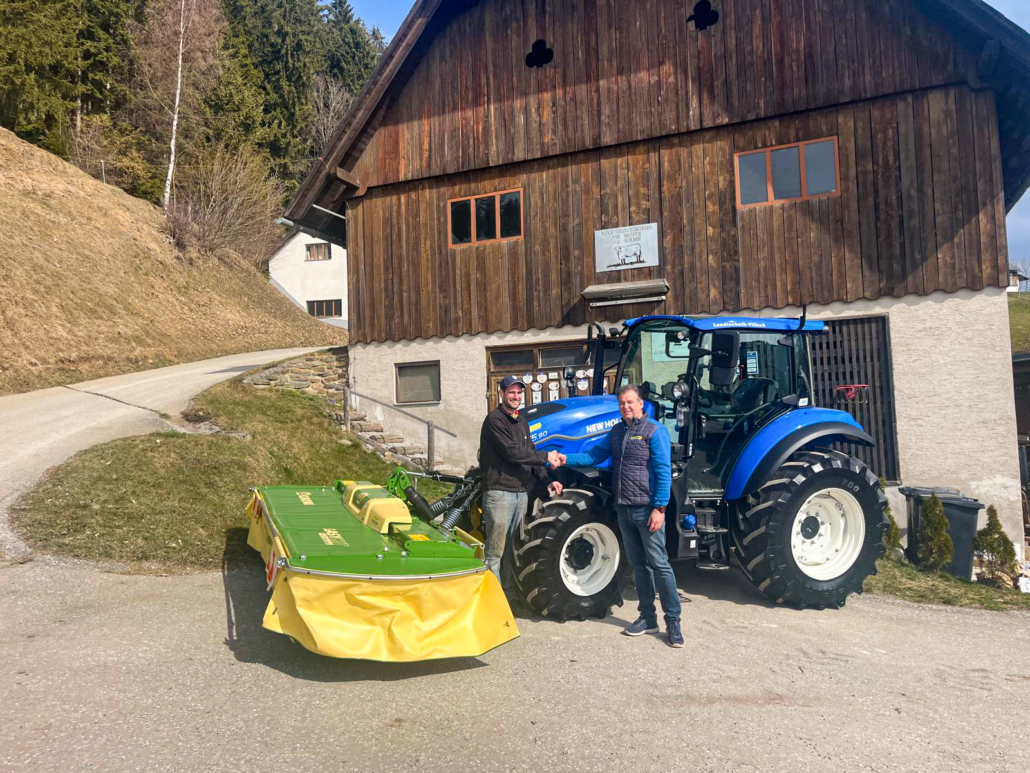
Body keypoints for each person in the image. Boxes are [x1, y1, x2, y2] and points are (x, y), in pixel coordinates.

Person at [564, 384, 682, 647]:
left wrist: (659, 508)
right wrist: (564, 458)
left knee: (660, 565)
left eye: (630, 402)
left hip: (647, 510)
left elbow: (663, 471)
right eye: (621, 403)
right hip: (624, 509)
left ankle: (673, 622)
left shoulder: (656, 432)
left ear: (641, 404)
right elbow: (593, 455)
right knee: (639, 566)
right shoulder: (617, 432)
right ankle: (647, 618)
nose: (626, 407)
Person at [479, 375, 563, 600]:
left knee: (512, 550)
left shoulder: (521, 421)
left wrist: (548, 481)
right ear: (502, 394)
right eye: (511, 392)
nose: (516, 397)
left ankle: (509, 595)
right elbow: (513, 453)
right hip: (499, 493)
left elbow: (529, 456)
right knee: (495, 551)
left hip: (520, 494)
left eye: (519, 393)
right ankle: (493, 602)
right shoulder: (495, 420)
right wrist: (547, 456)